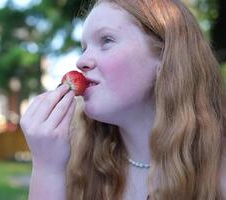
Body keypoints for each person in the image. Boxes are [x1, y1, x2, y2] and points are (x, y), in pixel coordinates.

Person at [19, 0, 226, 199]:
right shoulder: (78, 162)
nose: (81, 61)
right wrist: (47, 169)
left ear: (166, 55)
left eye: (106, 40)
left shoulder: (219, 169)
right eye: (84, 48)